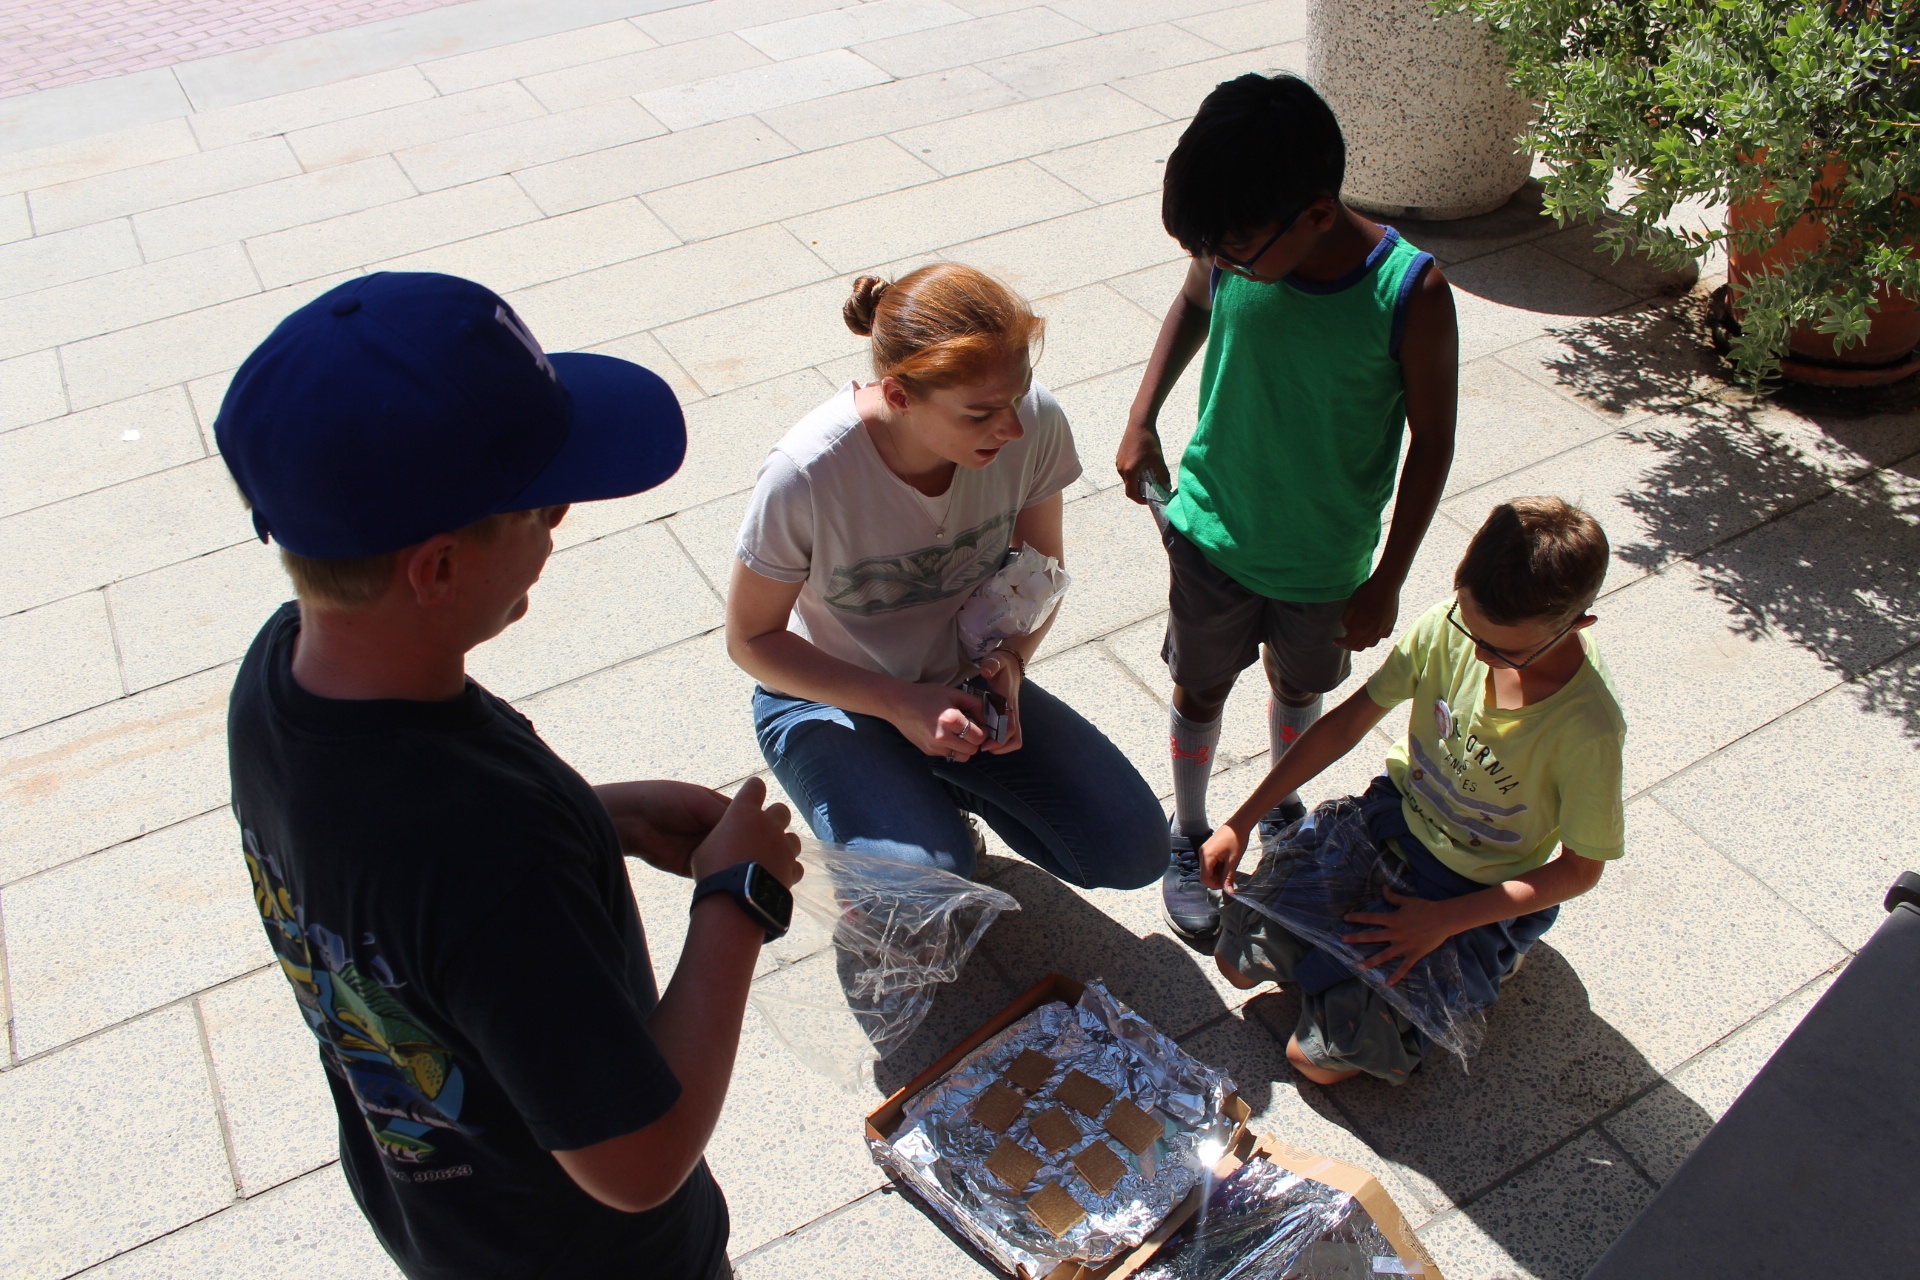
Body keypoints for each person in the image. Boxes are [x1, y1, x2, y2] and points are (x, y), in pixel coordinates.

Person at [219, 272, 802, 1280]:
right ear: (436, 569)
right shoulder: (485, 848)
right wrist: (735, 899)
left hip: (449, 1222)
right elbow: (638, 1159)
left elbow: (397, 913)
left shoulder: (279, 675)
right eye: (543, 504)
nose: (563, 517)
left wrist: (595, 817)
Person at [1115, 72, 1460, 951]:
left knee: (1297, 686)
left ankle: (1281, 810)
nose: (1221, 264)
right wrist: (1142, 413)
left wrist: (1388, 580)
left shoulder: (1410, 296)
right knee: (1199, 686)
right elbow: (1193, 299)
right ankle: (1188, 834)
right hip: (1211, 536)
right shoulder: (1237, 241)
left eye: (1232, 250)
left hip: (1323, 561)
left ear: (1313, 214)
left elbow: (1432, 444)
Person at [727, 263, 1165, 891]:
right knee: (925, 885)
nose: (1011, 428)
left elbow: (1041, 574)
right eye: (980, 413)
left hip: (957, 682)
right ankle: (895, 803)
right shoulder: (807, 473)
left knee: (1132, 849)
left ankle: (928, 786)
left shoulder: (1034, 424)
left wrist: (1010, 665)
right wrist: (901, 705)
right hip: (824, 692)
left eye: (1018, 396)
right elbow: (750, 640)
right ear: (899, 396)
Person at [1200, 497, 1625, 1085]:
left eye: (1503, 650)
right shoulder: (1445, 625)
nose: (1477, 656)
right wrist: (1242, 819)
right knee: (1235, 961)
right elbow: (1348, 722)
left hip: (1473, 883)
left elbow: (1580, 870)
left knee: (1312, 1062)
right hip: (1390, 824)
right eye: (1468, 628)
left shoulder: (1588, 728)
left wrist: (1446, 920)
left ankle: (1495, 949)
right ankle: (1362, 965)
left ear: (1578, 626)